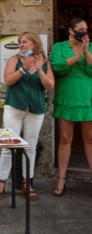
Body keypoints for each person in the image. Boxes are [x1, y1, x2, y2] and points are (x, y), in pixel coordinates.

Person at [0, 32, 54, 201]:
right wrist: (24, 67)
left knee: (30, 146)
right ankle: (1, 181)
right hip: (14, 107)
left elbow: (50, 84)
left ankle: (27, 182)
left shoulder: (45, 62)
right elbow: (8, 80)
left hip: (35, 109)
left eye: (25, 42)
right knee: (8, 145)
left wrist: (40, 69)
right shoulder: (15, 60)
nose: (21, 44)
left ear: (34, 43)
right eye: (19, 42)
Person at [50, 18, 92, 197]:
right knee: (65, 138)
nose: (84, 32)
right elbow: (58, 67)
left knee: (90, 139)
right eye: (80, 29)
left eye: (86, 29)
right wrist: (78, 55)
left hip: (87, 95)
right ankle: (61, 178)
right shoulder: (59, 47)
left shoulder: (91, 46)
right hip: (66, 93)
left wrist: (86, 51)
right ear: (71, 30)